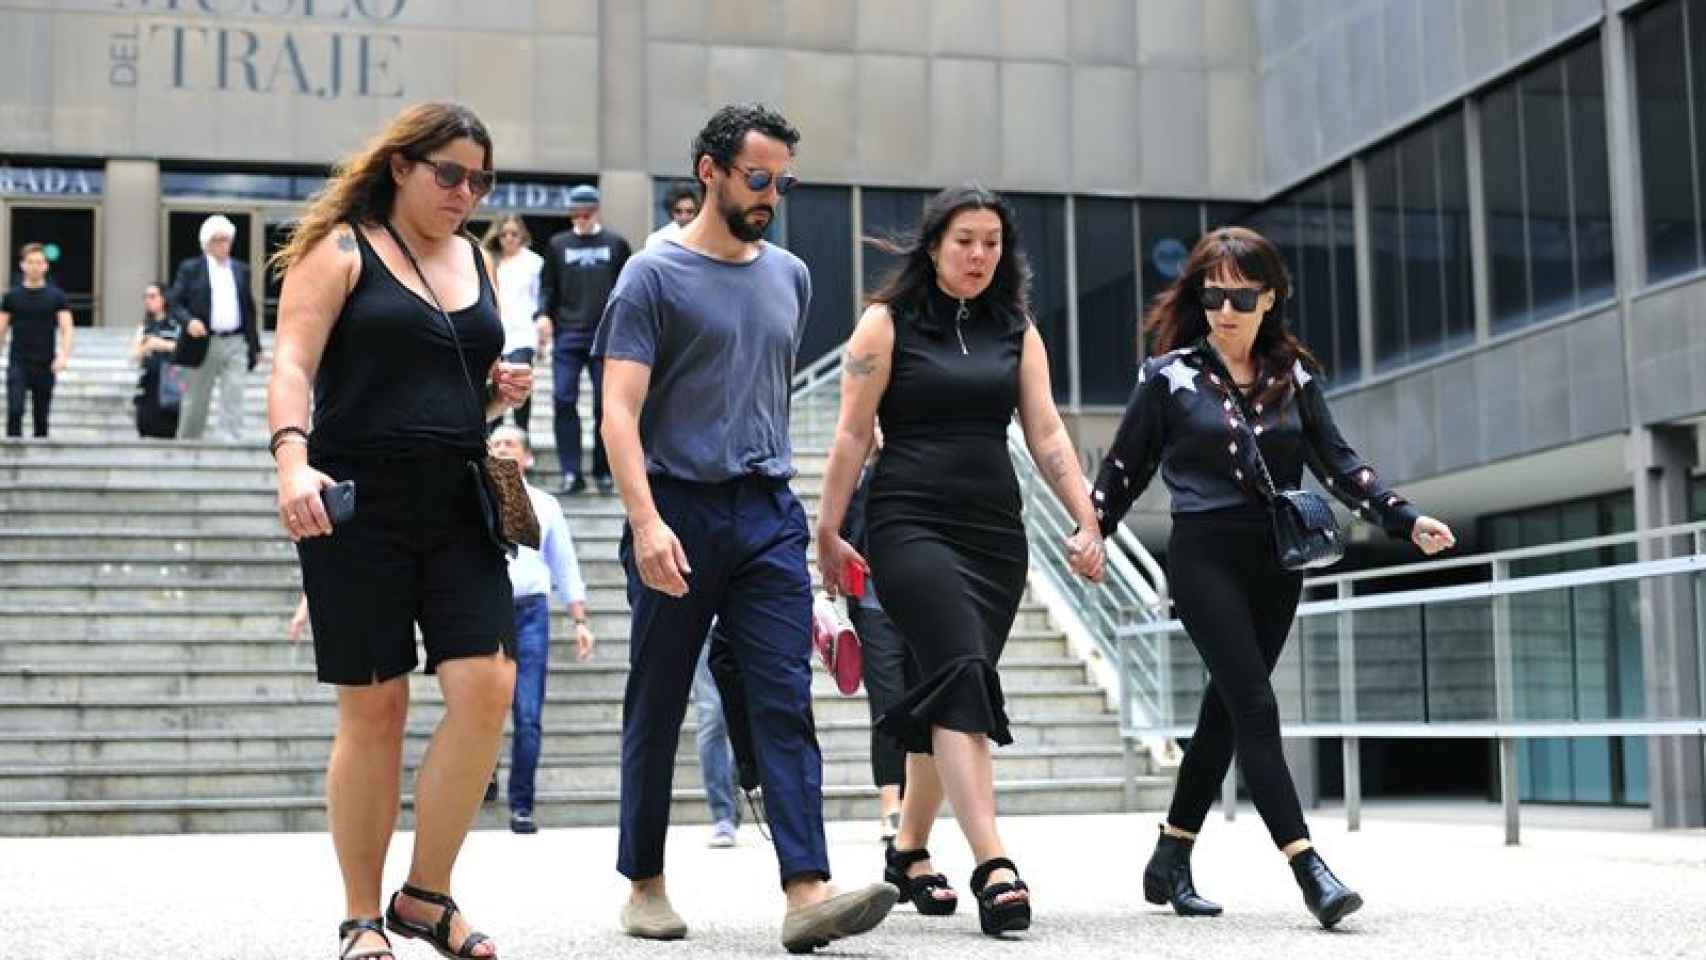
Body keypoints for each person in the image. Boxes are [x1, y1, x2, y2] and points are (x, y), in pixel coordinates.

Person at [1089, 226, 1458, 929]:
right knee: (1256, 707)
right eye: (1212, 295)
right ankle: (1309, 868)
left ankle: (1169, 857)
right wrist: (1092, 532)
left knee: (1226, 712)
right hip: (1202, 558)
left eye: (1240, 295)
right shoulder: (1167, 376)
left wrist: (1404, 518)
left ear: (1271, 299)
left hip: (1277, 562)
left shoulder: (1296, 377)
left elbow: (1341, 463)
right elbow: (1124, 468)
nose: (1224, 310)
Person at [596, 102, 897, 952]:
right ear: (710, 172)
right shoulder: (650, 277)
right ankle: (645, 883)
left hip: (766, 511)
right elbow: (619, 413)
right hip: (675, 509)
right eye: (758, 178)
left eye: (783, 181)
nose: (772, 195)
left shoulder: (791, 275)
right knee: (657, 700)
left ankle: (807, 890)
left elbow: (759, 380)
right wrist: (646, 523)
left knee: (781, 697)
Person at [266, 100, 532, 960]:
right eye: (450, 173)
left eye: (480, 179)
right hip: (357, 502)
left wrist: (496, 395)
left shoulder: (478, 259)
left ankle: (426, 894)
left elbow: (441, 384)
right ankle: (359, 916)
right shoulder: (340, 250)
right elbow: (294, 363)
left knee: (488, 687)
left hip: (458, 501)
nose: (466, 192)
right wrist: (291, 462)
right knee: (376, 706)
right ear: (401, 168)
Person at [814, 185, 1105, 938]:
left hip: (993, 534)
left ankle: (908, 851)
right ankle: (993, 864)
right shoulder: (886, 323)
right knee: (963, 672)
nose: (979, 255)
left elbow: (1044, 433)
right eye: (964, 240)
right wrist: (828, 527)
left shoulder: (1017, 327)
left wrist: (1087, 516)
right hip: (909, 522)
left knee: (952, 689)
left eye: (992, 243)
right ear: (935, 243)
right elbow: (851, 435)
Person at [487, 425, 595, 835]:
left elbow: (564, 564)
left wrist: (579, 620)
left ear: (527, 457)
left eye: (509, 444)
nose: (500, 449)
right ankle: (484, 772)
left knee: (527, 714)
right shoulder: (475, 499)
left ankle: (522, 805)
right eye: (494, 444)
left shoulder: (546, 505)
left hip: (531, 611)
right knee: (483, 707)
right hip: (485, 611)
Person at [836, 443, 908, 847]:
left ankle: (911, 807)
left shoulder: (917, 467)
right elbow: (844, 529)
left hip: (918, 606)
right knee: (887, 705)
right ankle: (890, 804)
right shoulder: (858, 476)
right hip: (874, 605)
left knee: (917, 703)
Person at [538, 183, 630, 496]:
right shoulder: (557, 244)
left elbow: (627, 290)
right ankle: (570, 473)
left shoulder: (616, 244)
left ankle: (603, 472)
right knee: (563, 399)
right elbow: (548, 286)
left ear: (596, 210)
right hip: (568, 334)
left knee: (606, 406)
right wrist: (543, 315)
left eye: (586, 211)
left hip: (607, 337)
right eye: (575, 212)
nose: (581, 217)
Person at [171, 214, 260, 442]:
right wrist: (189, 321)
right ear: (207, 243)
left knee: (234, 391)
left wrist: (255, 345)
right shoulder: (191, 268)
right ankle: (189, 441)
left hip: (236, 341)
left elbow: (248, 309)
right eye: (217, 239)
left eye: (226, 239)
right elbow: (174, 302)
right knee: (197, 396)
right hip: (203, 341)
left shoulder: (241, 270)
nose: (223, 244)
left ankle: (230, 439)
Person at [0, 242, 74, 438]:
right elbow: (1, 328)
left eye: (39, 262)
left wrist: (64, 355)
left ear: (45, 266)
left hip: (45, 362)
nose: (34, 266)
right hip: (19, 362)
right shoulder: (11, 297)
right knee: (15, 410)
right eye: (30, 262)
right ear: (23, 265)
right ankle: (11, 457)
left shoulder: (57, 296)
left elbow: (66, 328)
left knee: (41, 417)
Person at [482, 215, 547, 432]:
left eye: (514, 234)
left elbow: (541, 297)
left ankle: (522, 436)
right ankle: (492, 443)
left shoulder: (534, 262)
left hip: (523, 333)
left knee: (518, 385)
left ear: (522, 236)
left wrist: (542, 330)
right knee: (495, 386)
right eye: (504, 234)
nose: (509, 239)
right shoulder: (489, 260)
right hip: (495, 332)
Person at [693, 622, 741, 848]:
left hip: (748, 616)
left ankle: (741, 783)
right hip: (703, 621)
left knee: (751, 712)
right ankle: (723, 814)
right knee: (712, 714)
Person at [132, 282, 184, 438]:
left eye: (153, 296)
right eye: (146, 297)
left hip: (170, 383)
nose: (148, 300)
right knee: (145, 425)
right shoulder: (144, 326)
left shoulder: (177, 324)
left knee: (168, 427)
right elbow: (135, 354)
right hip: (148, 382)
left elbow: (185, 349)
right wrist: (145, 347)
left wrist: (160, 344)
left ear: (164, 299)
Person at [644, 182, 700, 250]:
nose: (684, 217)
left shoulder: (706, 237)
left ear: (696, 211)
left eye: (689, 211)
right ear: (671, 212)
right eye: (678, 211)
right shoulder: (657, 239)